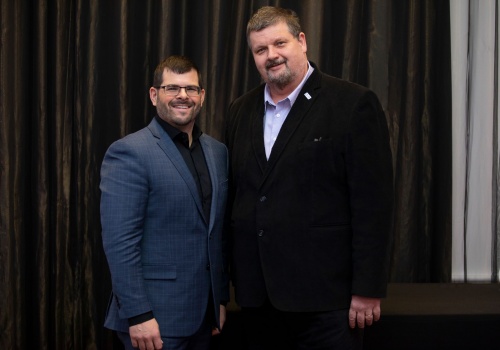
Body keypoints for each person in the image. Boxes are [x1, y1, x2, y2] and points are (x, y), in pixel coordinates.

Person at [224, 6, 393, 350]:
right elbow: (236, 197)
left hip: (327, 301)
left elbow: (373, 205)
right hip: (258, 299)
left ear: (301, 41)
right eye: (260, 50)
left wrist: (368, 288)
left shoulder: (353, 103)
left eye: (279, 43)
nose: (271, 55)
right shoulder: (240, 110)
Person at [100, 55, 229, 350]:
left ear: (202, 97)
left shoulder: (218, 153)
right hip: (154, 321)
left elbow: (218, 233)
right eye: (172, 88)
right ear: (154, 94)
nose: (183, 96)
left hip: (204, 318)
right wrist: (138, 314)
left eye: (191, 89)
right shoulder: (129, 152)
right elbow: (120, 243)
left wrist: (219, 299)